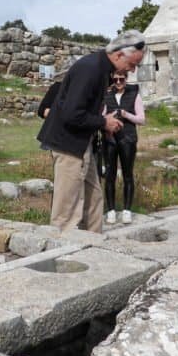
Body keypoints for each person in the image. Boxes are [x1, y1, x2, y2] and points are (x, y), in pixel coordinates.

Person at [37, 30, 146, 233]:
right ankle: (61, 254)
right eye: (132, 64)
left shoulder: (101, 69)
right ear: (119, 54)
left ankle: (93, 247)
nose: (131, 71)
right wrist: (103, 123)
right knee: (67, 209)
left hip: (80, 144)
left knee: (93, 200)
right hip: (69, 144)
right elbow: (71, 113)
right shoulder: (91, 69)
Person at [103, 71, 145, 224]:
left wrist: (126, 115)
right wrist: (108, 119)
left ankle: (127, 210)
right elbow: (101, 115)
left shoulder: (135, 95)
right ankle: (111, 210)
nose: (119, 82)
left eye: (122, 79)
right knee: (109, 175)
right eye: (116, 79)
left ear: (126, 79)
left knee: (128, 174)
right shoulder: (106, 95)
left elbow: (142, 119)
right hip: (110, 139)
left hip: (128, 138)